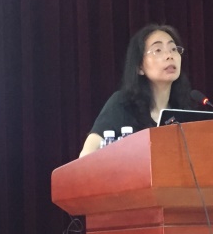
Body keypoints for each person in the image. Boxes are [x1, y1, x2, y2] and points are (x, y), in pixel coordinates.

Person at [78, 23, 193, 158]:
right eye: (158, 50)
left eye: (173, 49)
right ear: (139, 67)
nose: (169, 55)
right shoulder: (122, 105)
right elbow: (86, 155)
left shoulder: (185, 111)